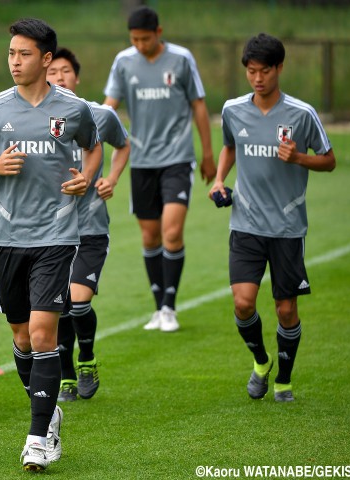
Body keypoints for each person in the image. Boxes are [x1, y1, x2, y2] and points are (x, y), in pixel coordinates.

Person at [0, 19, 102, 471]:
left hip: (56, 236)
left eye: (23, 54)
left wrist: (87, 177)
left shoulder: (73, 109)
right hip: (8, 238)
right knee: (21, 339)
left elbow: (93, 146)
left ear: (45, 59)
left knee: (43, 333)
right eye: (10, 54)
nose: (15, 62)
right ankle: (49, 412)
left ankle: (38, 437)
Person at [208, 33, 336, 402]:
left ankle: (284, 378)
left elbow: (329, 160)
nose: (258, 78)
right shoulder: (233, 110)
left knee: (286, 308)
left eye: (265, 70)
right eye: (251, 71)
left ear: (279, 68)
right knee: (243, 302)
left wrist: (299, 158)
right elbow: (230, 145)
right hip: (245, 222)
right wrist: (219, 180)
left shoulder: (302, 113)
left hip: (287, 227)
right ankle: (261, 361)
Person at [103, 6, 216, 332]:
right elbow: (110, 106)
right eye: (134, 39)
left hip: (177, 159)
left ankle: (169, 306)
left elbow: (198, 104)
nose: (139, 44)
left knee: (171, 231)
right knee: (150, 235)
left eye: (145, 38)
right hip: (140, 161)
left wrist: (207, 153)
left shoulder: (181, 59)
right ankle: (158, 308)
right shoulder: (124, 62)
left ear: (159, 32)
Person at [46, 47, 130, 402]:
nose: (59, 77)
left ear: (76, 77)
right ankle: (65, 376)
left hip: (91, 229)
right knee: (58, 305)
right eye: (53, 72)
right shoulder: (37, 120)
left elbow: (123, 146)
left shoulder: (100, 115)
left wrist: (110, 177)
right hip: (52, 231)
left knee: (78, 303)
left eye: (65, 71)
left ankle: (88, 360)